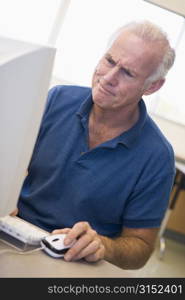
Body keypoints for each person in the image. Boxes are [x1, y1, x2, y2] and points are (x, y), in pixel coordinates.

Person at [17, 20, 176, 269]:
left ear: (152, 86)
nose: (108, 77)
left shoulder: (157, 156)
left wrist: (103, 245)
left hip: (77, 262)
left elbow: (140, 249)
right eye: (110, 61)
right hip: (18, 232)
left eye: (128, 73)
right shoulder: (57, 99)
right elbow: (11, 162)